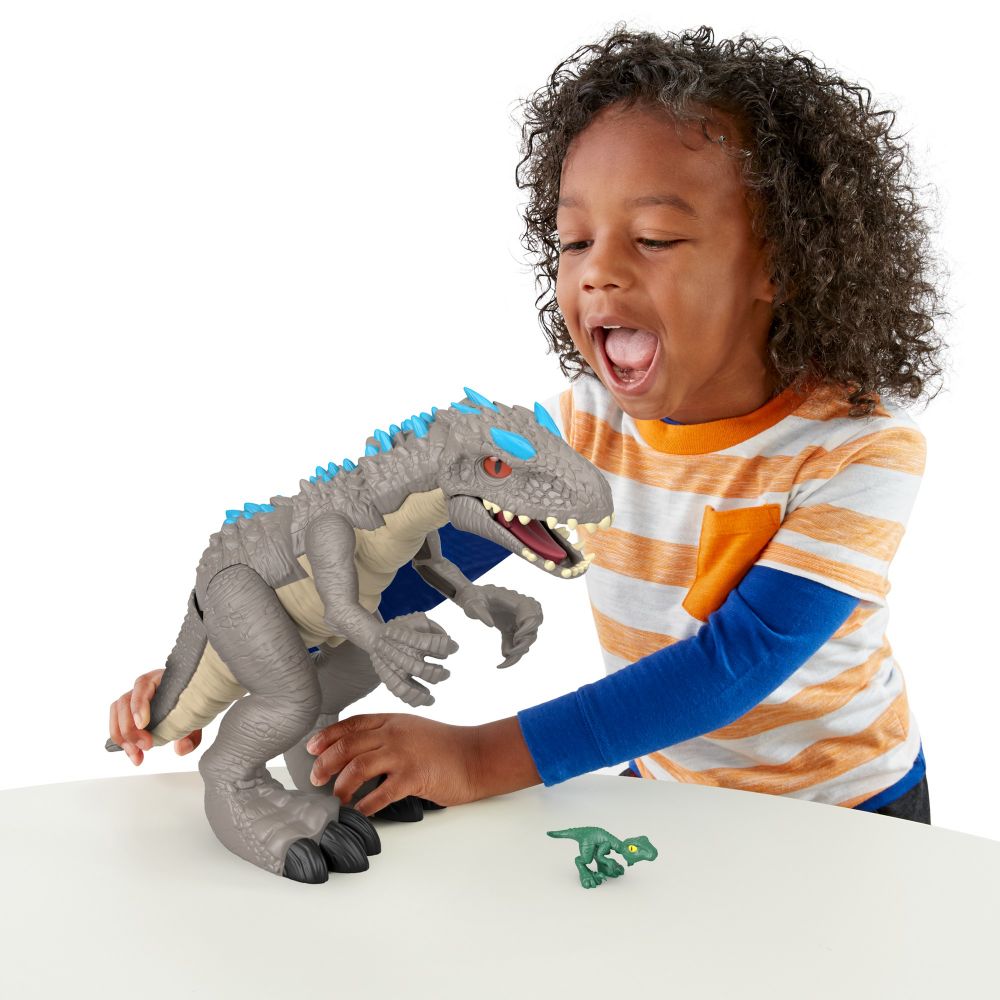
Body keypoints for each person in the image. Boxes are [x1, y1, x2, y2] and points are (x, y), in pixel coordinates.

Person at [109, 24, 945, 824]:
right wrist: (241, 658)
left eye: (654, 238)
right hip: (667, 788)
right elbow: (416, 554)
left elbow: (735, 664)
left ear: (782, 265)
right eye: (574, 241)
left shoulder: (862, 451)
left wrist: (479, 759)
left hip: (848, 809)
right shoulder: (588, 422)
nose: (598, 271)